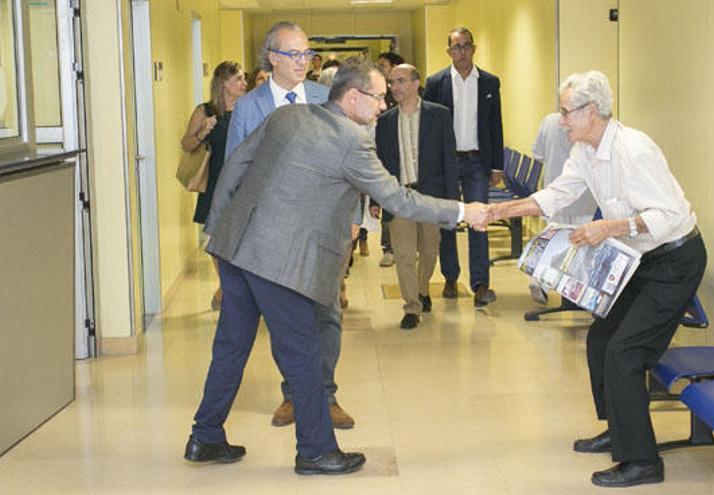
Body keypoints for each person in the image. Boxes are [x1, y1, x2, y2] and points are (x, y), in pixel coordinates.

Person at [184, 57, 489, 475]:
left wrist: (218, 229)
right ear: (351, 97)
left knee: (232, 347)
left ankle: (205, 437)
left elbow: (236, 162)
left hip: (237, 250)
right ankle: (315, 450)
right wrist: (460, 210)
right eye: (378, 97)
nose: (384, 105)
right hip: (276, 263)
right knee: (306, 353)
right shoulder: (352, 141)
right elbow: (400, 199)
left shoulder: (289, 115)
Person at [488, 70, 707, 488]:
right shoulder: (585, 150)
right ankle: (620, 430)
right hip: (642, 258)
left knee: (625, 353)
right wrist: (502, 210)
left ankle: (643, 462)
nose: (561, 121)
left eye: (566, 112)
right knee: (601, 339)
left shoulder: (634, 149)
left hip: (674, 262)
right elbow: (559, 193)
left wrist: (608, 228)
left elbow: (668, 216)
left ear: (592, 111)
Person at [223, 21, 354, 431]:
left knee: (326, 312)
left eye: (308, 53)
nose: (304, 61)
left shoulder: (323, 98)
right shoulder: (248, 108)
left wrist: (353, 219)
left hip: (324, 226)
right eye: (295, 54)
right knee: (284, 317)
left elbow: (348, 161)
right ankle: (294, 395)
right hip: (271, 233)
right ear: (273, 58)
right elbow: (235, 173)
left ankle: (326, 395)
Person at [424, 27, 504, 307]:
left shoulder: (490, 83)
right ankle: (450, 276)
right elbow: (430, 129)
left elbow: (496, 125)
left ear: (474, 48)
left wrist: (497, 166)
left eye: (466, 46)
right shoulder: (436, 83)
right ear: (449, 51)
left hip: (477, 162)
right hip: (446, 163)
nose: (462, 52)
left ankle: (481, 284)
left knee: (479, 222)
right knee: (448, 220)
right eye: (456, 47)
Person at [373, 64, 457, 330]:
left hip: (431, 196)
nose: (394, 87)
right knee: (405, 254)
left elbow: (449, 160)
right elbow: (380, 163)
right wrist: (377, 199)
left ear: (415, 83)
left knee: (430, 250)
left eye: (400, 81)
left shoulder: (439, 115)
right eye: (391, 83)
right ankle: (411, 306)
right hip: (399, 195)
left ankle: (422, 289)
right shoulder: (385, 121)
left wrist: (453, 202)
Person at [180, 61, 246, 310]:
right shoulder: (206, 111)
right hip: (217, 181)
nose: (243, 83)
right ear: (223, 83)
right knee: (213, 240)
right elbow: (186, 145)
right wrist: (201, 133)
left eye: (243, 78)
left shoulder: (248, 108)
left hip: (244, 182)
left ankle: (233, 289)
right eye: (238, 79)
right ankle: (226, 285)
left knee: (242, 237)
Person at [528, 111, 598, 305]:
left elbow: (538, 154)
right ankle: (575, 293)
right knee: (581, 245)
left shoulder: (549, 120)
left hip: (554, 193)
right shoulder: (592, 124)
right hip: (585, 197)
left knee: (553, 241)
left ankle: (540, 279)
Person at [374, 52, 405, 268]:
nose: (380, 69)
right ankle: (388, 248)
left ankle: (408, 245)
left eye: (383, 66)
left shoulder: (410, 93)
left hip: (409, 159)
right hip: (387, 156)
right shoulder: (380, 93)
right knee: (388, 203)